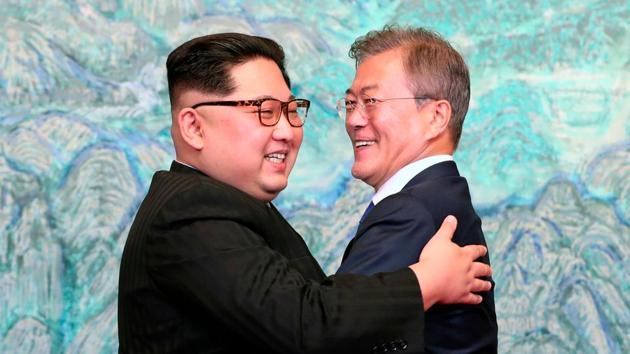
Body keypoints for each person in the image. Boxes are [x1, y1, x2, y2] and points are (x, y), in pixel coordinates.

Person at [118, 32, 492, 354]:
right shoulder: (189, 212)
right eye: (264, 110)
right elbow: (309, 324)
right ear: (194, 128)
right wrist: (426, 281)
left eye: (291, 110)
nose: (287, 130)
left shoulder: (235, 207)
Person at [336, 26, 498, 353]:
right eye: (351, 103)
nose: (353, 119)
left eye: (370, 101)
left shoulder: (412, 212)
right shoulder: (438, 199)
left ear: (436, 117)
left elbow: (330, 330)